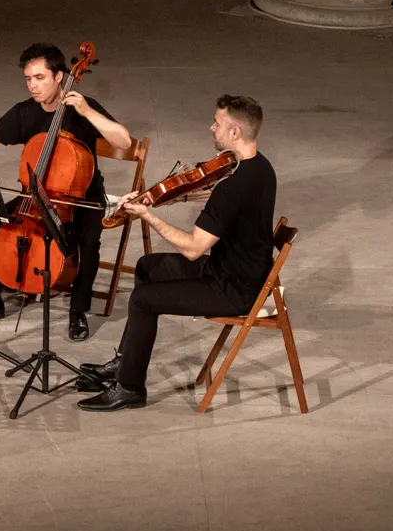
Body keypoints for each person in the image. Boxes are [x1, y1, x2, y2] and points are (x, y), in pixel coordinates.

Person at [77, 95, 275, 411]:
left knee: (142, 300)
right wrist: (161, 198)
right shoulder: (259, 168)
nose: (212, 128)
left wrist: (148, 215)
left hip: (235, 289)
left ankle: (129, 389)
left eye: (218, 123)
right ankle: (125, 363)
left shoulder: (233, 186)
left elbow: (195, 249)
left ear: (235, 133)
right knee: (147, 267)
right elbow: (222, 206)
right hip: (239, 271)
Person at [0, 43, 132, 342]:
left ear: (60, 76)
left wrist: (87, 111)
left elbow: (123, 141)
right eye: (28, 79)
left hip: (81, 196)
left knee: (89, 242)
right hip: (35, 195)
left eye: (40, 78)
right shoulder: (24, 112)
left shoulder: (82, 106)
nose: (33, 85)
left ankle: (77, 310)